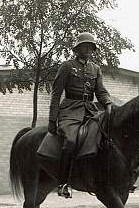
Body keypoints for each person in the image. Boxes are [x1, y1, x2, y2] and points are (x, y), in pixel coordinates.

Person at [48, 32, 112, 198]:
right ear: (77, 49)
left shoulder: (95, 68)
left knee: (107, 138)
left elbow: (101, 92)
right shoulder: (67, 66)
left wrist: (108, 104)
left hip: (91, 110)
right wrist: (52, 119)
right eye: (84, 46)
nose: (87, 49)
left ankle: (108, 179)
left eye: (90, 46)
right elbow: (56, 94)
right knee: (70, 140)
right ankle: (62, 183)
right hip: (70, 110)